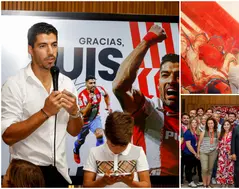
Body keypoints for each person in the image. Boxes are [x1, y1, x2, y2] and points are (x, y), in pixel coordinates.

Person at [1, 22, 83, 187]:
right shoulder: (15, 84)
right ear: (30, 49)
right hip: (25, 175)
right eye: (43, 46)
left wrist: (75, 112)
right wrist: (45, 112)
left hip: (60, 172)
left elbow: (75, 132)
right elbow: (8, 136)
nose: (51, 52)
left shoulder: (66, 83)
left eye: (54, 45)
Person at [112, 24, 179, 176]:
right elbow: (119, 86)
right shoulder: (149, 109)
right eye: (165, 75)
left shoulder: (191, 117)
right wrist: (148, 41)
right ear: (158, 84)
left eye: (178, 76)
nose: (172, 80)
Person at [83, 112, 151, 187]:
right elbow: (86, 185)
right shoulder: (94, 152)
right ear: (105, 134)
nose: (118, 149)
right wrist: (102, 182)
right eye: (113, 145)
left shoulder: (138, 151)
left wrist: (130, 183)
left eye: (123, 145)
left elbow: (147, 186)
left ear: (131, 136)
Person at [73, 75, 112, 164]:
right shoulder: (82, 96)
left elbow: (106, 95)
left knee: (100, 134)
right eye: (90, 83)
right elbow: (83, 113)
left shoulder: (99, 89)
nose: (93, 85)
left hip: (95, 118)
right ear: (86, 84)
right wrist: (90, 102)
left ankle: (98, 158)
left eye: (94, 83)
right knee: (80, 141)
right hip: (84, 121)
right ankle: (75, 150)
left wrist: (108, 106)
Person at [198, 117, 219, 188]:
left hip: (213, 153)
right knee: (204, 168)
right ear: (207, 124)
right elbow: (199, 143)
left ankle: (208, 184)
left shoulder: (217, 132)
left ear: (214, 124)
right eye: (209, 123)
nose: (210, 125)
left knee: (210, 169)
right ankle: (204, 184)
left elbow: (219, 142)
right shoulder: (203, 132)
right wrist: (198, 153)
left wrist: (217, 149)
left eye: (211, 123)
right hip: (203, 152)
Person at [183, 118, 203, 188]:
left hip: (195, 152)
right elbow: (188, 145)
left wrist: (198, 152)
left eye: (195, 122)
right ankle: (190, 181)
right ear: (190, 124)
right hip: (188, 153)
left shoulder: (196, 131)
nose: (194, 124)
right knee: (189, 168)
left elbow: (198, 142)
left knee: (198, 166)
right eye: (192, 122)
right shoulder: (187, 132)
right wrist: (195, 153)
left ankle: (200, 180)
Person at [216, 120, 234, 188]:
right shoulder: (221, 133)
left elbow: (234, 144)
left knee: (229, 168)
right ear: (222, 126)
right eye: (224, 125)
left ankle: (228, 182)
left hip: (229, 153)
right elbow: (218, 143)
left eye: (227, 124)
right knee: (222, 168)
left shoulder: (232, 133)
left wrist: (232, 152)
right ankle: (223, 183)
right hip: (222, 154)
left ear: (230, 126)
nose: (226, 126)